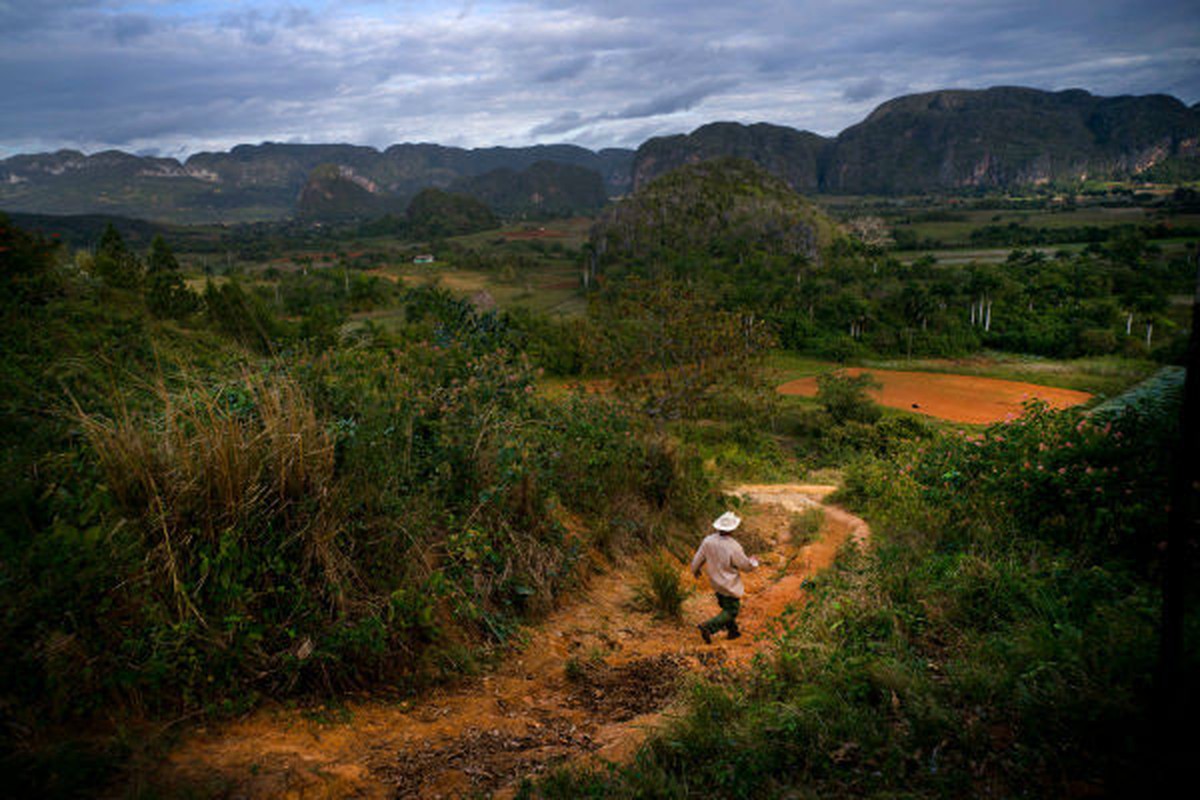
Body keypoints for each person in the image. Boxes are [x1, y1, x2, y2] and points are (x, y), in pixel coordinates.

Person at [690, 511, 759, 643]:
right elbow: (744, 565)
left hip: (715, 582)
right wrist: (753, 562)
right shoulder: (733, 546)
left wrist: (695, 570)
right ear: (733, 528)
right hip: (729, 584)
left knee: (725, 608)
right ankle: (708, 627)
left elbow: (697, 559)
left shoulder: (708, 541)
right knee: (731, 611)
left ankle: (733, 632)